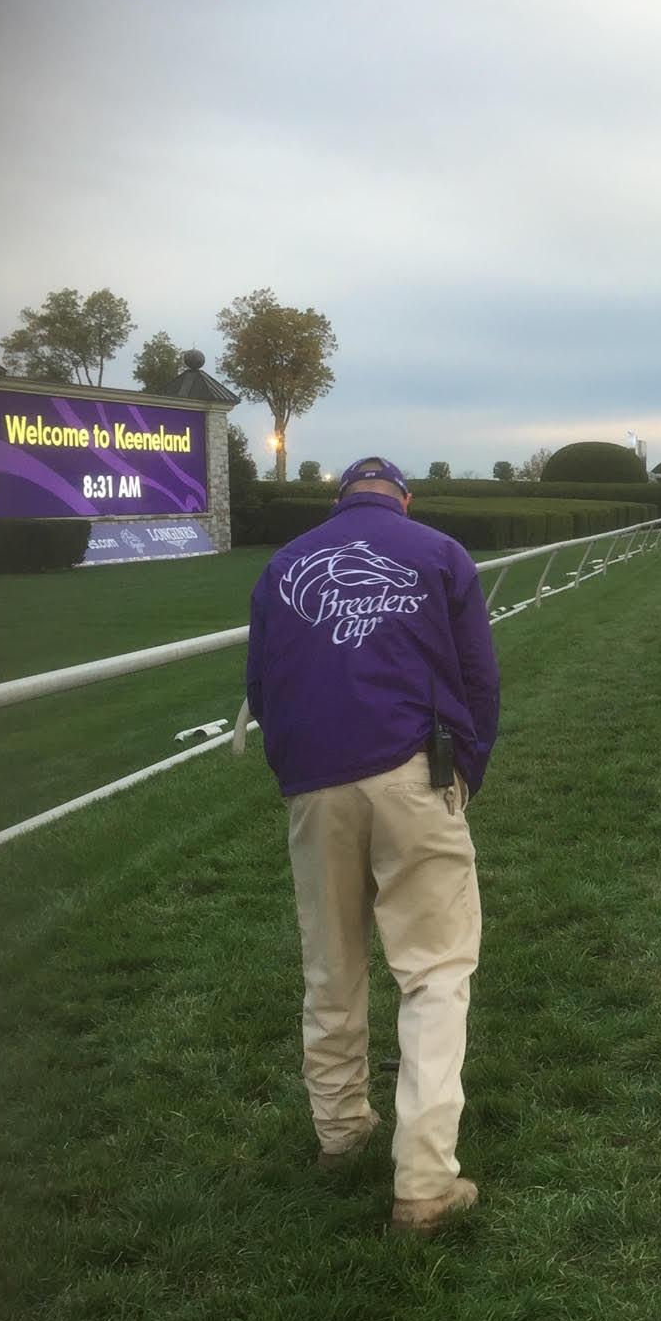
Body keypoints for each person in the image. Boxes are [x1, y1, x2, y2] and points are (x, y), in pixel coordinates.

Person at [245, 456, 499, 1235]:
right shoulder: (439, 552)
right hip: (413, 773)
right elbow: (478, 677)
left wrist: (297, 774)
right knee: (434, 972)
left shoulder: (282, 564)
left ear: (339, 502)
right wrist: (467, 776)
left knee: (332, 960)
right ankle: (423, 1183)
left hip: (314, 784)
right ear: (403, 501)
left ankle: (340, 1134)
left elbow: (261, 684)